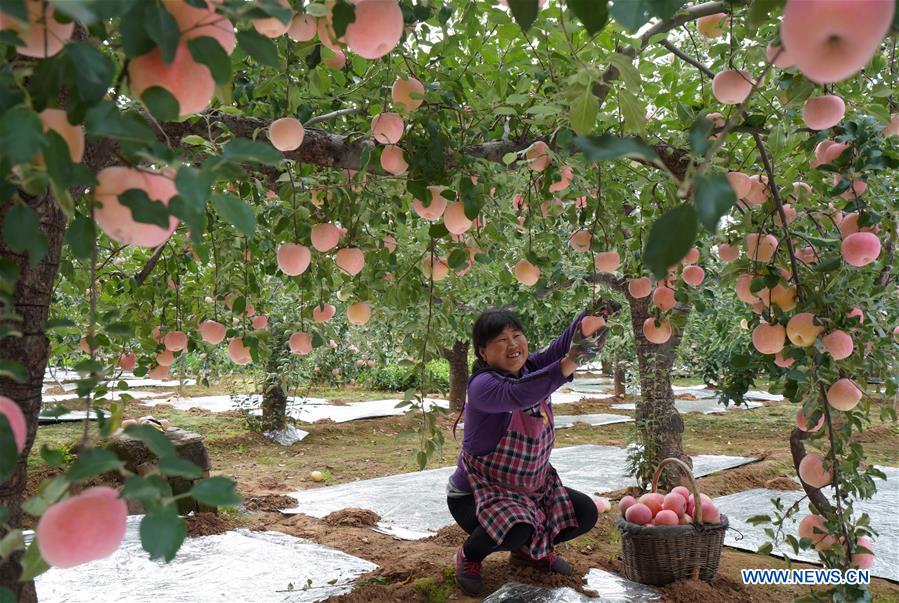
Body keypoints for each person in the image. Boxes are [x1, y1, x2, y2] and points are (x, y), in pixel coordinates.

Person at [447, 300, 620, 595]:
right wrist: (570, 362)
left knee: (585, 513)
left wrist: (592, 313)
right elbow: (519, 394)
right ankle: (469, 556)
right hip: (477, 494)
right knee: (517, 529)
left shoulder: (530, 367)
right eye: (501, 340)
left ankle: (528, 554)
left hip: (531, 489)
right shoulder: (482, 386)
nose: (512, 344)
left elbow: (563, 343)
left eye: (516, 335)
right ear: (483, 353)